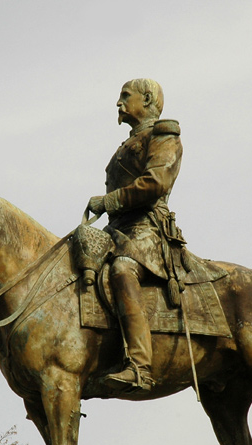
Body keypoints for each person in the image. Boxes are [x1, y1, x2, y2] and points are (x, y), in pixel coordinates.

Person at [87, 78, 183, 391]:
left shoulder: (163, 135)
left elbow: (155, 184)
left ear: (147, 99)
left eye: (125, 96)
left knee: (121, 269)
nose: (118, 103)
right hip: (118, 228)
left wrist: (107, 201)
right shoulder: (126, 145)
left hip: (147, 227)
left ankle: (140, 366)